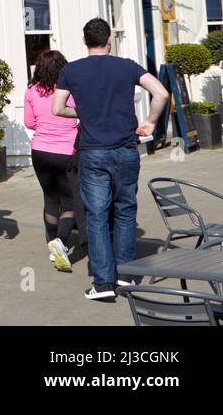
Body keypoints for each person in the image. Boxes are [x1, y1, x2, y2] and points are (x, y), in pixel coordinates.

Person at [52, 17, 168, 301]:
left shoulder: (72, 70)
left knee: (97, 215)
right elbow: (161, 92)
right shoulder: (126, 66)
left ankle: (103, 284)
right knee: (126, 210)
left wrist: (81, 113)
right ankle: (126, 276)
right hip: (126, 149)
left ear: (85, 41)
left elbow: (58, 108)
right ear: (109, 40)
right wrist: (151, 122)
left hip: (93, 152)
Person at [23, 49, 84, 272]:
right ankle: (61, 242)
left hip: (40, 151)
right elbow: (81, 113)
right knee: (69, 201)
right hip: (66, 151)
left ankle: (53, 246)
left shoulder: (31, 90)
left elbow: (29, 123)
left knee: (50, 198)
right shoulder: (70, 90)